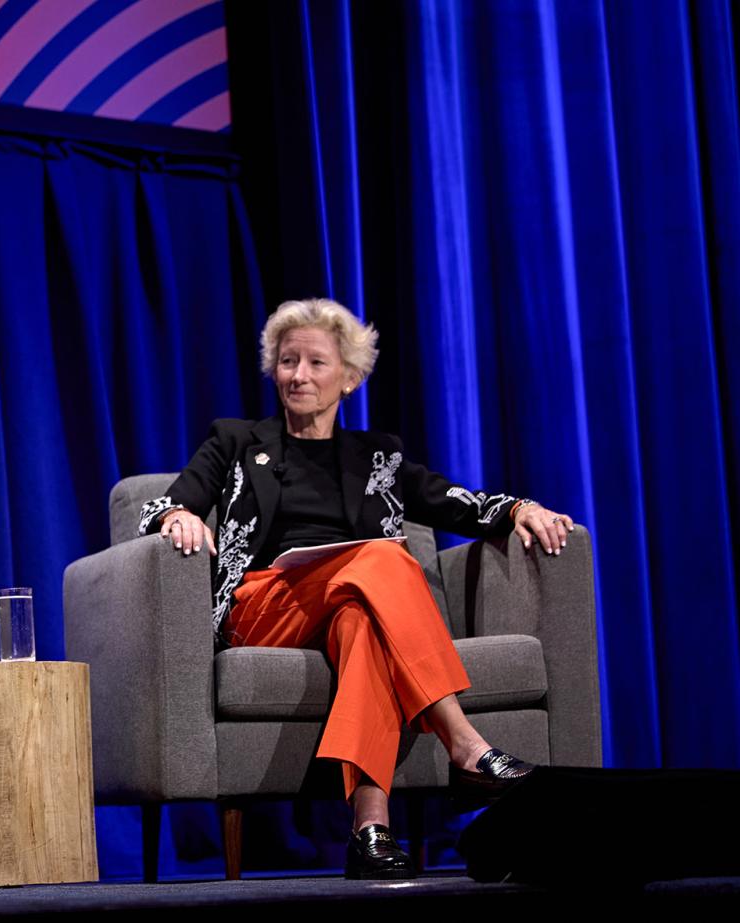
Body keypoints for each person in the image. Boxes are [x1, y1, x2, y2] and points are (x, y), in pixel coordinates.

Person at [138, 298, 574, 880]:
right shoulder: (237, 441)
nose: (298, 375)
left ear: (349, 378)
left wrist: (519, 508)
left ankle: (370, 830)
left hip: (347, 600)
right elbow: (166, 504)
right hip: (266, 606)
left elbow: (453, 502)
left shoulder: (379, 456)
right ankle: (466, 744)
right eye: (288, 361)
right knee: (384, 559)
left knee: (362, 623)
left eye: (316, 363)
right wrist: (179, 518)